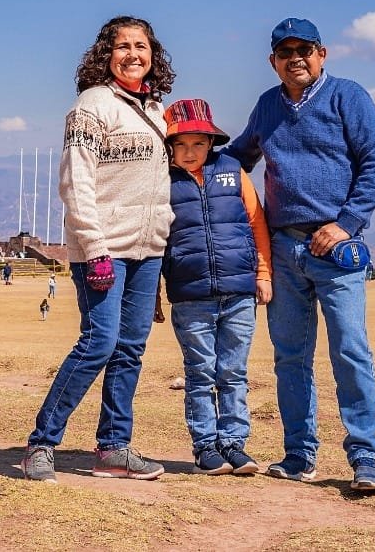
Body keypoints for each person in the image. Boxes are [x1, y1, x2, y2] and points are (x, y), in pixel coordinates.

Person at [224, 17, 375, 493]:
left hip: (337, 247)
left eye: (305, 49)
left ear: (323, 54)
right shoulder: (266, 107)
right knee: (290, 357)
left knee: (350, 350)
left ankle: (366, 455)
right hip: (283, 247)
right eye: (285, 51)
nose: (295, 57)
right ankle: (298, 455)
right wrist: (187, 157)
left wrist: (345, 224)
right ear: (272, 61)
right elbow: (239, 157)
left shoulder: (348, 96)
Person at [22, 15, 175, 484]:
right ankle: (41, 444)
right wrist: (93, 246)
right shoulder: (92, 105)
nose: (134, 54)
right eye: (123, 45)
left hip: (148, 251)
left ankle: (113, 448)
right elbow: (76, 181)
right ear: (106, 54)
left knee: (130, 350)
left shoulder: (156, 110)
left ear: (154, 55)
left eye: (142, 46)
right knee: (98, 344)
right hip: (103, 248)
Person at [160, 98, 272, 476]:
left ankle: (234, 444)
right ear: (170, 146)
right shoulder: (162, 180)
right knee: (200, 372)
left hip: (239, 292)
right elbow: (156, 238)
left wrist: (264, 274)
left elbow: (256, 223)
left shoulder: (232, 170)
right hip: (190, 296)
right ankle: (205, 447)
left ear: (211, 143)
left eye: (199, 143)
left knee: (234, 372)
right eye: (181, 144)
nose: (190, 152)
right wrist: (157, 293)